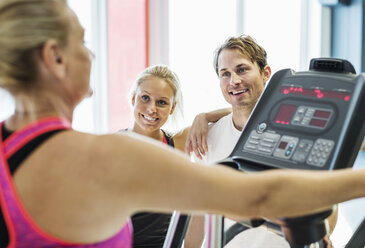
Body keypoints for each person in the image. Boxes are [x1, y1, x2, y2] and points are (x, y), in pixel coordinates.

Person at [1, 1, 365, 247]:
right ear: (55, 58)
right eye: (82, 41)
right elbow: (261, 196)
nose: (91, 53)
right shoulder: (109, 155)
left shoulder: (7, 144)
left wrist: (207, 115)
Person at [184, 35, 336, 247]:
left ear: (266, 74)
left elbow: (328, 200)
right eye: (224, 73)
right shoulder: (206, 137)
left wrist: (320, 236)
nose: (234, 81)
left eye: (242, 69)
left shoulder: (297, 134)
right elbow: (199, 210)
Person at [123, 64, 231, 247]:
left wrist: (203, 117)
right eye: (145, 98)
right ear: (133, 99)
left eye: (162, 102)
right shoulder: (114, 146)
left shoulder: (178, 143)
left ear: (172, 108)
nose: (152, 109)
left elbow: (237, 112)